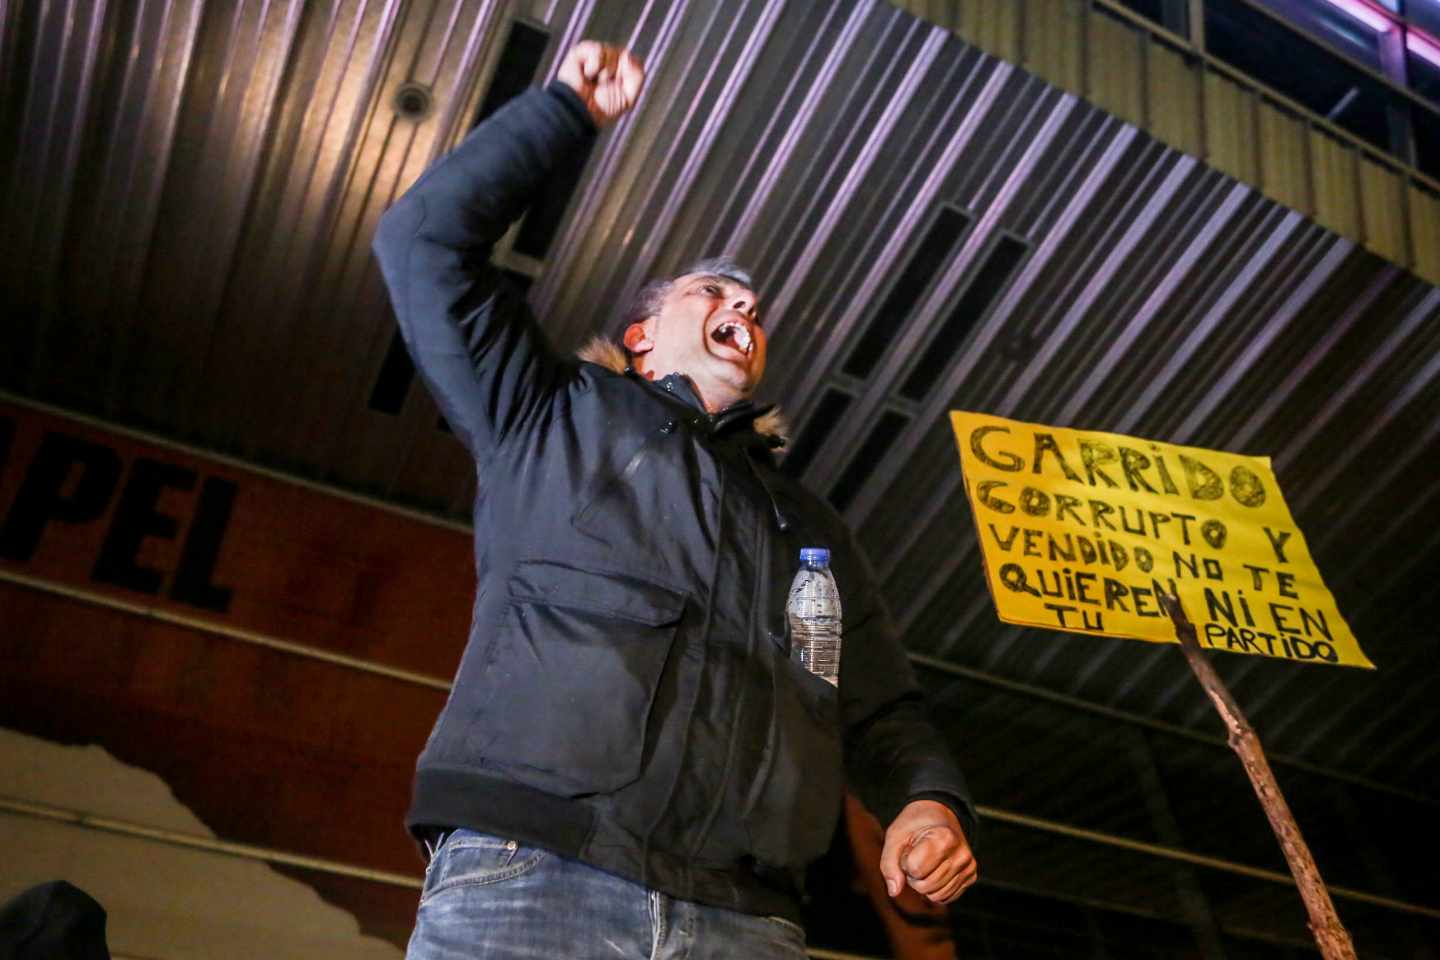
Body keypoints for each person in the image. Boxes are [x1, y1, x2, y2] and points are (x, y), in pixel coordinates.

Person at [372, 39, 978, 959]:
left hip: (748, 921)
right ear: (643, 338)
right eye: (713, 293)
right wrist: (564, 113)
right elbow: (422, 244)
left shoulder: (808, 529)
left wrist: (926, 805)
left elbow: (881, 708)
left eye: (757, 308)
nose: (745, 307)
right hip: (534, 878)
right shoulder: (550, 415)